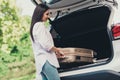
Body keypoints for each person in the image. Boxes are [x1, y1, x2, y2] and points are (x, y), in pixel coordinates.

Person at [30, 3, 65, 80]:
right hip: (46, 61)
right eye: (47, 14)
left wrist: (55, 51)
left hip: (41, 63)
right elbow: (46, 45)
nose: (48, 16)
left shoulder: (34, 27)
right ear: (40, 14)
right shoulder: (40, 25)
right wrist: (58, 50)